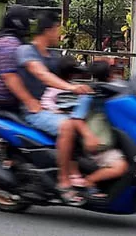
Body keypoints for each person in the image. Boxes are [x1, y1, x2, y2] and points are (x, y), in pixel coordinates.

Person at [16, 12, 98, 205]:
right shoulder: (27, 51)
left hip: (50, 106)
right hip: (33, 109)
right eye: (58, 28)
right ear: (49, 30)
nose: (60, 32)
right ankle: (63, 181)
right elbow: (42, 74)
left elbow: (66, 72)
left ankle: (85, 174)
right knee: (68, 126)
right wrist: (71, 87)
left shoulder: (52, 56)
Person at [41, 60, 128, 200]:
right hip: (100, 144)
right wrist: (88, 136)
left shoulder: (115, 90)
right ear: (110, 75)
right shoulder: (89, 95)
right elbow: (76, 118)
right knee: (120, 166)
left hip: (111, 140)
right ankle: (88, 181)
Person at [0, 5, 41, 115]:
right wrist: (30, 101)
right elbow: (9, 76)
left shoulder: (0, 38)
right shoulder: (9, 43)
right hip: (2, 97)